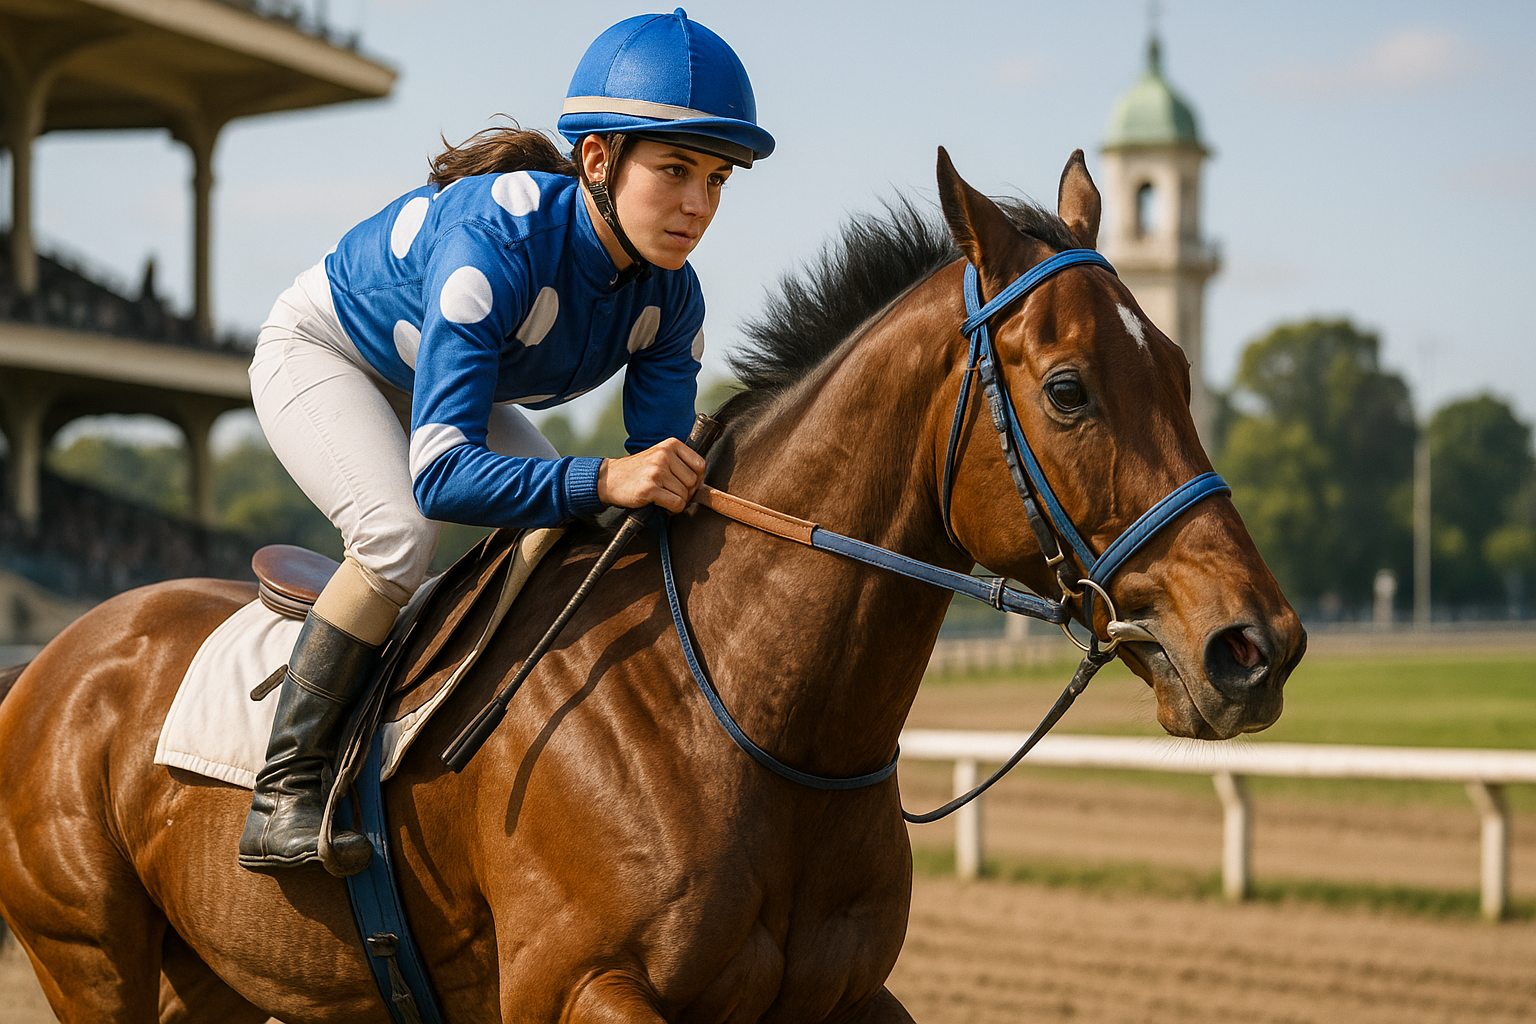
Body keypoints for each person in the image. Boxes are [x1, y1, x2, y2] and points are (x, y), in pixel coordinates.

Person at [238, 8, 773, 873]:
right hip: (326, 352)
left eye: (717, 179)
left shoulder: (673, 298)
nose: (698, 206)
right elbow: (444, 477)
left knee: (590, 521)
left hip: (448, 377)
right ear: (597, 161)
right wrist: (603, 479)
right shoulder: (496, 243)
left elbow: (657, 483)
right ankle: (283, 791)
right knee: (396, 537)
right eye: (675, 170)